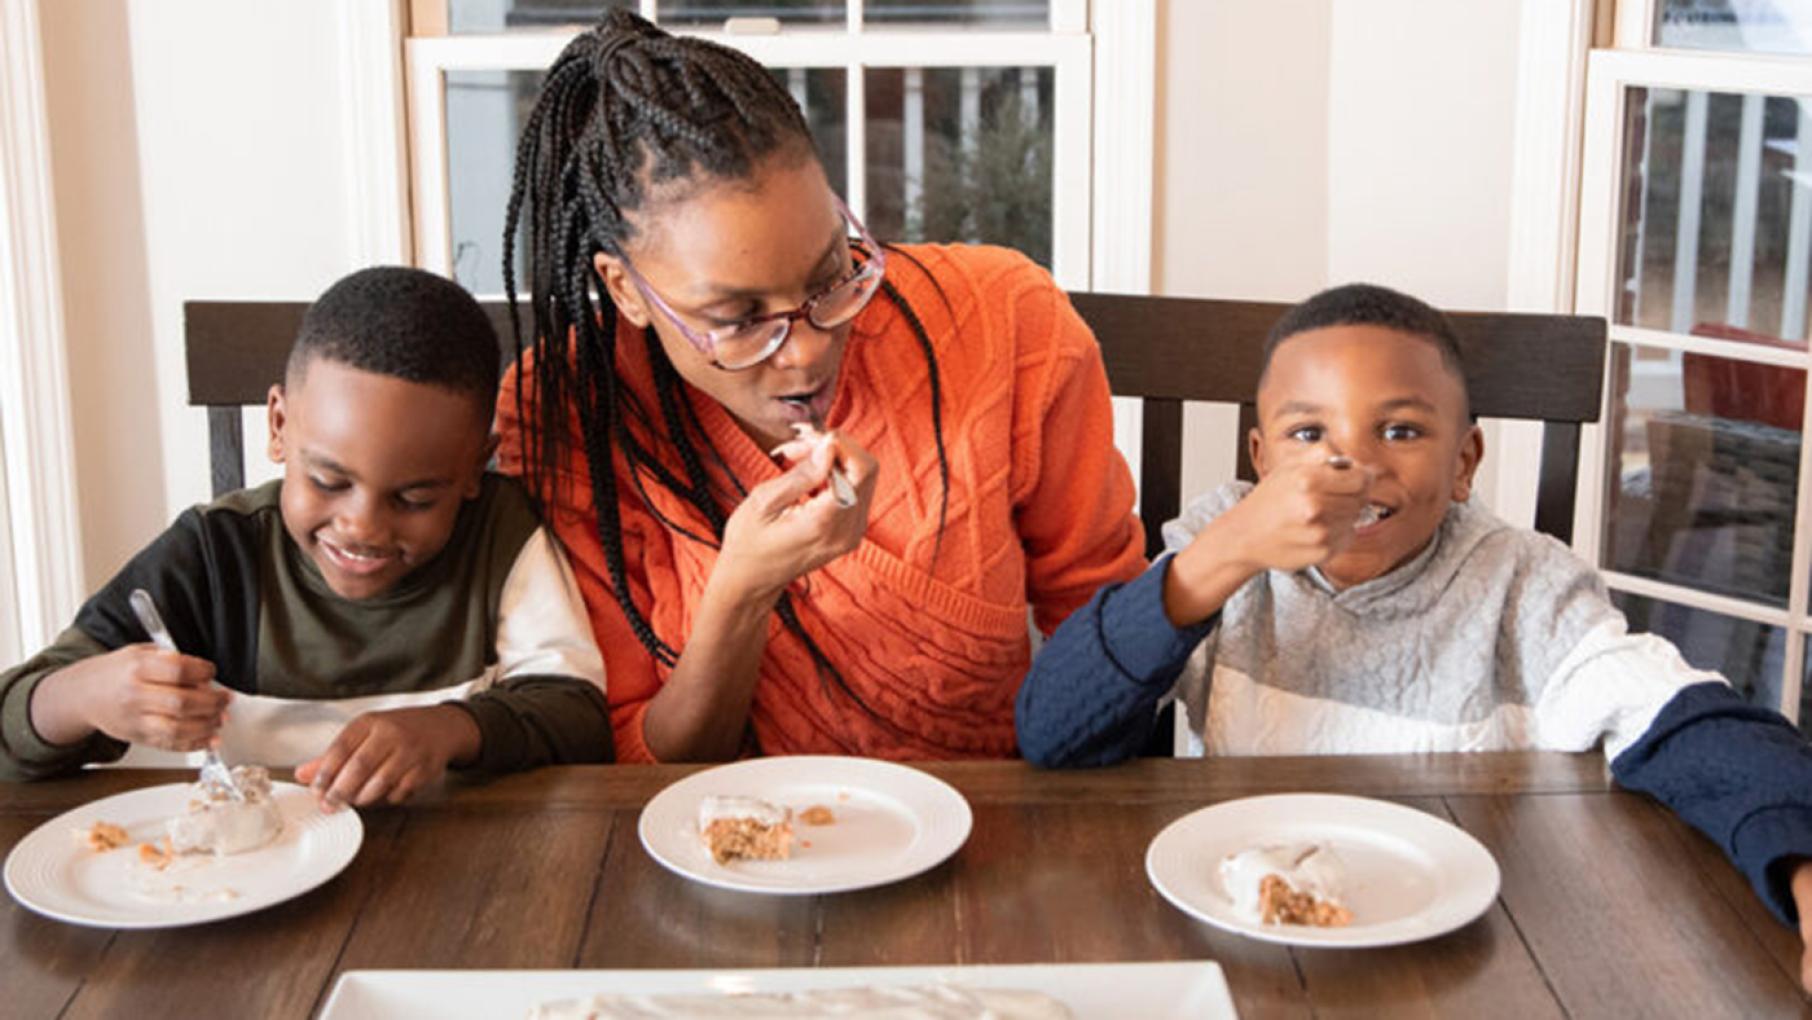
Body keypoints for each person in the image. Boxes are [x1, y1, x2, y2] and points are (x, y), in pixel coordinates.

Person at [1014, 282, 1812, 978]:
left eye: (1398, 431)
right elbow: (1052, 731)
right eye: (1307, 434)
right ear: (1260, 461)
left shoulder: (1523, 586)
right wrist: (1214, 562)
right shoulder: (1222, 550)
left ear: (1465, 462)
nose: (1351, 465)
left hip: (1462, 951)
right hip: (1239, 934)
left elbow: (1683, 718)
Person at [494, 10, 1144, 763]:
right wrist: (741, 592)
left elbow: (1101, 629)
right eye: (736, 317)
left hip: (985, 836)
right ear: (626, 289)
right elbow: (633, 761)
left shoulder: (1003, 322)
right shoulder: (572, 409)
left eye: (831, 274)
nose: (805, 352)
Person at [0, 267, 611, 807]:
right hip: (249, 883)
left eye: (415, 498)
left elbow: (578, 717)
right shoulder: (216, 556)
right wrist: (82, 697)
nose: (363, 526)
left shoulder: (499, 538)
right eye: (328, 480)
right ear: (279, 426)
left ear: (477, 468)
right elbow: (14, 730)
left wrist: (449, 729)